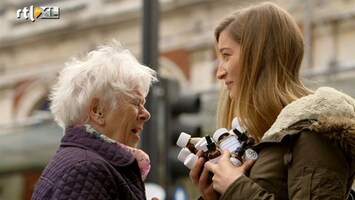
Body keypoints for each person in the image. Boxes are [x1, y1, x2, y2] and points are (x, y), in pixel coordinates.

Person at [189, 2, 355, 199]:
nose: (219, 72)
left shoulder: (313, 129)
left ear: (257, 56)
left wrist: (235, 186)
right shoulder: (267, 137)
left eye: (226, 55)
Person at [32, 40, 158, 199]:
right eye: (136, 102)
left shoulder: (85, 164)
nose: (146, 114)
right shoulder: (87, 170)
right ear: (97, 111)